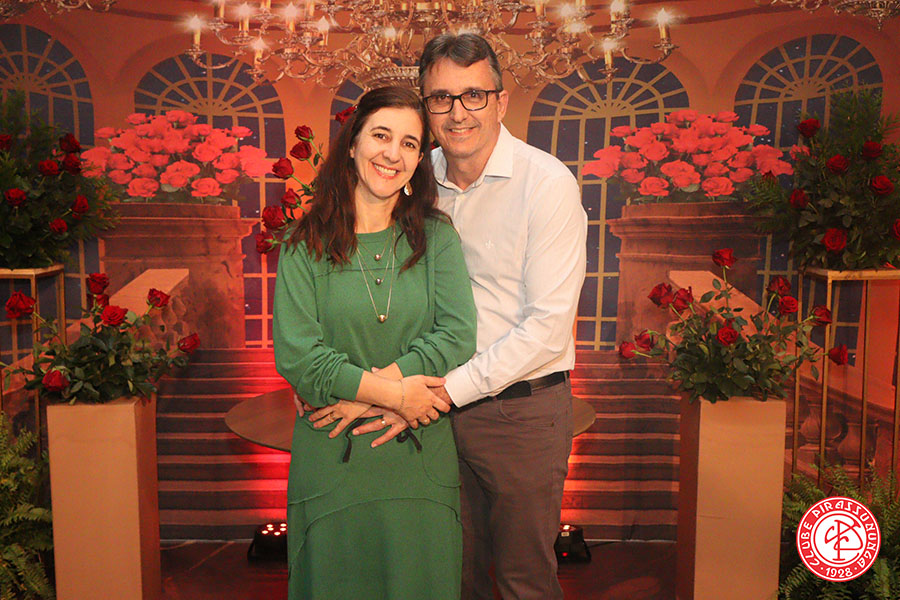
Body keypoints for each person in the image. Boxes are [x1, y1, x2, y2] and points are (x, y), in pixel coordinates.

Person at [358, 33, 587, 599]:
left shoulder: (546, 183)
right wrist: (344, 373)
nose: (457, 113)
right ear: (425, 107)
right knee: (448, 576)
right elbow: (376, 283)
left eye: (474, 96)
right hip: (427, 406)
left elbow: (547, 328)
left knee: (522, 580)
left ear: (501, 102)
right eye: (441, 98)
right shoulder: (412, 178)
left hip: (519, 412)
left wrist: (446, 390)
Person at [273, 86, 477, 599]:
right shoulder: (304, 245)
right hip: (332, 458)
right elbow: (299, 356)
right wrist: (397, 395)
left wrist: (370, 394)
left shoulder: (437, 238)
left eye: (409, 143)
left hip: (419, 459)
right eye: (381, 136)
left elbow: (457, 334)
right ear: (352, 144)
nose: (393, 153)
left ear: (419, 160)